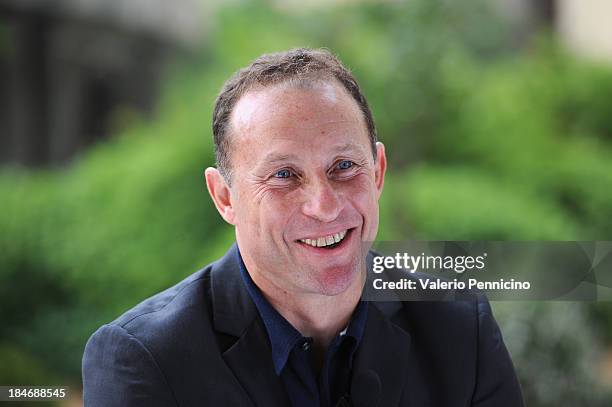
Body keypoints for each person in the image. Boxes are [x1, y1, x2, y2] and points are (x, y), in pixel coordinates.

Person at [82, 48, 524, 407]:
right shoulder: (145, 360)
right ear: (225, 197)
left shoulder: (462, 331)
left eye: (344, 166)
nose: (324, 206)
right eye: (283, 175)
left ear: (379, 172)